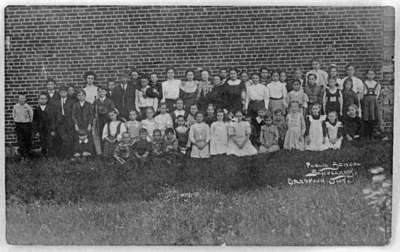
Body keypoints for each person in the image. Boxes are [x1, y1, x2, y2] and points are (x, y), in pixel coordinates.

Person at [33, 93, 56, 157]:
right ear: (39, 100)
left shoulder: (50, 109)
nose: (43, 100)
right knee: (42, 141)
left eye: (45, 99)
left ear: (47, 100)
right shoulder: (36, 110)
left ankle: (50, 155)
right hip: (40, 129)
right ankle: (43, 154)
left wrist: (53, 130)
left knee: (49, 141)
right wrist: (36, 131)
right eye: (41, 99)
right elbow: (35, 121)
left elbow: (53, 120)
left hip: (49, 129)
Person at [54, 86, 75, 159]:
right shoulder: (56, 102)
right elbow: (54, 114)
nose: (63, 93)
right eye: (61, 92)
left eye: (64, 92)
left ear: (67, 93)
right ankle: (62, 155)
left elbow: (74, 113)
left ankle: (70, 155)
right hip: (60, 122)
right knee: (63, 138)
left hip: (69, 122)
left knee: (70, 138)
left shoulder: (71, 101)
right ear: (59, 93)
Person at [13, 93, 33, 159]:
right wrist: (16, 121)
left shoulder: (28, 106)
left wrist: (28, 122)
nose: (21, 100)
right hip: (18, 124)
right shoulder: (15, 106)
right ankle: (22, 155)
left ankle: (27, 154)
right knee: (20, 140)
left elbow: (31, 116)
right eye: (20, 98)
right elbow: (14, 115)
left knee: (27, 139)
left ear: (25, 99)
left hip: (26, 125)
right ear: (18, 99)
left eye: (23, 98)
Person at [362, 69, 381, 139]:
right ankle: (367, 134)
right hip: (366, 101)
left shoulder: (376, 84)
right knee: (366, 116)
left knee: (373, 116)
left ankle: (373, 133)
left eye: (372, 74)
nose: (370, 76)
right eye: (369, 74)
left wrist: (374, 98)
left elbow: (377, 94)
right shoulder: (364, 83)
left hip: (374, 102)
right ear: (367, 75)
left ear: (374, 75)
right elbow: (363, 92)